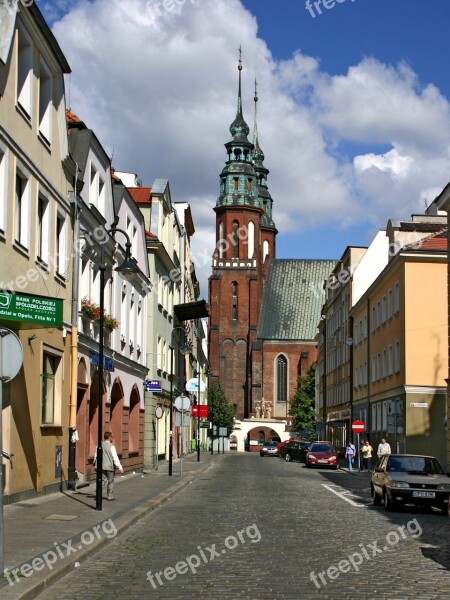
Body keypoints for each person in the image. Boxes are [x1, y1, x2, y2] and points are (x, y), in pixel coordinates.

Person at [94, 432, 124, 501]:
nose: (112, 439)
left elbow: (96, 455)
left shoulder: (99, 445)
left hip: (101, 466)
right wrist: (120, 467)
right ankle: (110, 496)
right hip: (109, 467)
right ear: (110, 438)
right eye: (112, 437)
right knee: (110, 481)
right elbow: (115, 457)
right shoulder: (111, 447)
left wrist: (95, 464)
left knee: (102, 480)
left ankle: (98, 493)